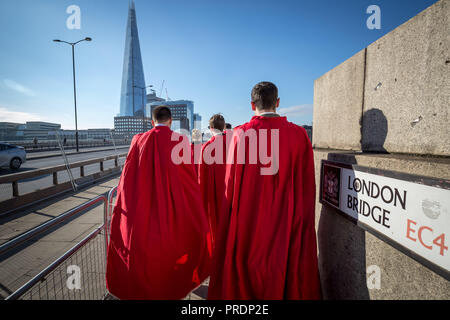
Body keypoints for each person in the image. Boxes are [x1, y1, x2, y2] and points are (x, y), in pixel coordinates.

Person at [208, 82, 321, 299]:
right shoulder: (299, 136)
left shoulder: (240, 135)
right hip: (286, 222)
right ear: (277, 103)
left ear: (252, 105)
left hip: (248, 222)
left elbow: (230, 186)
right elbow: (307, 188)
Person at [106, 106, 212, 300]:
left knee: (143, 253)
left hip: (144, 206)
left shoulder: (138, 140)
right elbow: (188, 179)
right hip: (170, 206)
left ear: (152, 122)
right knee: (172, 250)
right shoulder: (180, 140)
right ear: (170, 121)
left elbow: (128, 177)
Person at [199, 114, 227, 244]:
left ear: (210, 128)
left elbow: (202, 177)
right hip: (233, 194)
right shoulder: (235, 143)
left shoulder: (206, 148)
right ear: (224, 127)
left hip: (215, 195)